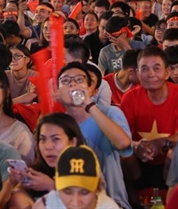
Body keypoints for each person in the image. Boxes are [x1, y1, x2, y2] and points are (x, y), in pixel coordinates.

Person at [56, 62, 132, 209]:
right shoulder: (58, 125)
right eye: (65, 81)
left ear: (92, 89)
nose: (72, 84)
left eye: (79, 80)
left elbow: (123, 143)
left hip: (111, 202)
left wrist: (89, 106)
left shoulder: (110, 113)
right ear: (58, 91)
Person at [121, 46, 178, 194]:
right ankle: (132, 199)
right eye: (144, 69)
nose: (150, 74)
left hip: (170, 163)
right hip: (139, 162)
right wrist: (136, 146)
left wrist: (161, 142)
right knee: (122, 153)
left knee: (175, 152)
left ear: (167, 73)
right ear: (137, 74)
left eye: (156, 68)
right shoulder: (130, 98)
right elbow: (120, 136)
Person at [7, 113, 86, 209]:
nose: (48, 146)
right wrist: (10, 184)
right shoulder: (36, 171)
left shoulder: (88, 171)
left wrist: (52, 186)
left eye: (56, 139)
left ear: (72, 142)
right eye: (42, 139)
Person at [32, 145, 120, 209]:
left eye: (84, 192)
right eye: (67, 191)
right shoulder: (46, 205)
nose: (75, 203)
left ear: (98, 187)